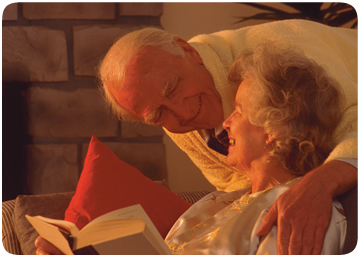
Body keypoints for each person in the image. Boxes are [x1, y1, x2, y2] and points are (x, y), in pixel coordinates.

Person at [35, 20, 357, 254]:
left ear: (188, 51)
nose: (182, 113)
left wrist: (320, 182)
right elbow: (239, 187)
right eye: (157, 115)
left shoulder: (284, 59)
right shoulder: (213, 203)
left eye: (173, 88)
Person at [165, 41, 347, 254]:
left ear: (274, 128)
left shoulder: (301, 211)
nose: (225, 123)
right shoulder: (214, 203)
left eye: (239, 110)